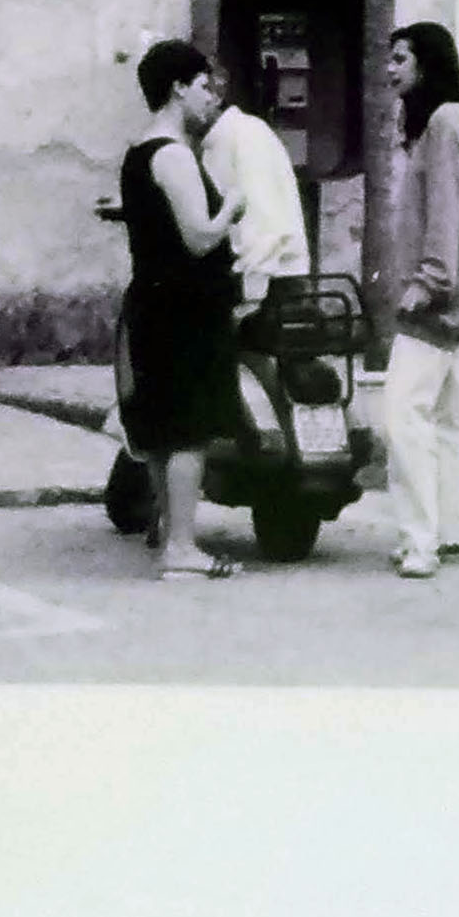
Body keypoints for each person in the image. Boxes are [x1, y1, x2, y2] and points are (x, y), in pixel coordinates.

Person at [119, 37, 248, 581]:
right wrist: (232, 206)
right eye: (202, 86)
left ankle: (171, 536)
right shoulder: (172, 154)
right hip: (185, 309)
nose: (210, 97)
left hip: (155, 302)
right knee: (189, 429)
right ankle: (183, 546)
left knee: (162, 429)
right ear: (177, 89)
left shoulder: (139, 152)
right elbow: (198, 236)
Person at [381, 19, 459, 579]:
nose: (390, 69)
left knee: (402, 416)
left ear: (427, 64)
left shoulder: (446, 124)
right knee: (448, 416)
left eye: (401, 59)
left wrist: (429, 281)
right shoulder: (447, 122)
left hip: (433, 301)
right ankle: (456, 529)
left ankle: (419, 542)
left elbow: (448, 211)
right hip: (452, 300)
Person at [201, 67, 311, 317]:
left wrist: (250, 300)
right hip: (251, 278)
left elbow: (263, 223)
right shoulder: (215, 141)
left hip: (270, 284)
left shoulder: (246, 134)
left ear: (215, 96)